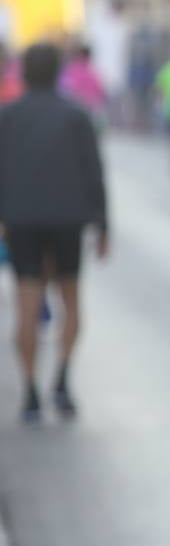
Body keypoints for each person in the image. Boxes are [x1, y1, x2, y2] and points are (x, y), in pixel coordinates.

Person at [0, 43, 108, 422]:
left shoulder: (7, 116)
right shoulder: (77, 116)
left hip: (22, 220)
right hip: (67, 220)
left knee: (27, 306)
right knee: (71, 302)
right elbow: (94, 171)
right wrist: (103, 224)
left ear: (24, 72)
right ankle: (61, 378)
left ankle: (30, 389)